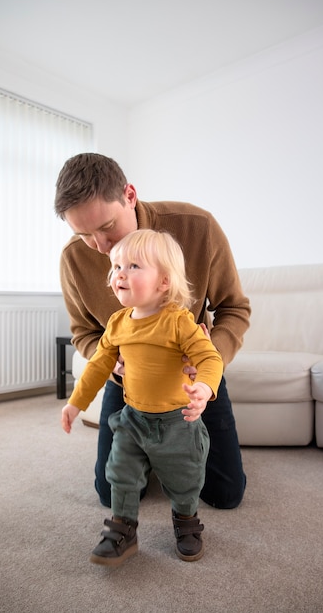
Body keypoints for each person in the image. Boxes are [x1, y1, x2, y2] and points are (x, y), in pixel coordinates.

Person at [55, 152, 251, 510]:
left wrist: (210, 363)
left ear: (130, 195)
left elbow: (235, 308)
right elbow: (83, 333)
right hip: (128, 382)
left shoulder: (198, 226)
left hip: (191, 379)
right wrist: (110, 365)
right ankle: (155, 456)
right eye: (84, 234)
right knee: (109, 492)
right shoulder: (72, 258)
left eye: (106, 227)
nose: (101, 247)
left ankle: (178, 454)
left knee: (225, 494)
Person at [62, 229, 224, 565]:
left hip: (177, 421)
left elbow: (210, 358)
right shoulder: (117, 323)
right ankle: (123, 529)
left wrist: (205, 389)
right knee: (120, 471)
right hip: (133, 417)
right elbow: (98, 365)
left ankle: (185, 520)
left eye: (133, 266)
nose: (119, 273)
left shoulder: (179, 322)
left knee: (185, 476)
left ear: (163, 282)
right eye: (116, 266)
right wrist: (76, 402)